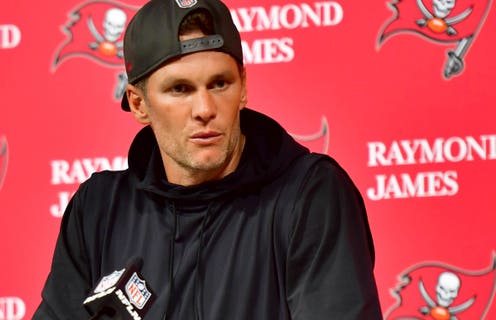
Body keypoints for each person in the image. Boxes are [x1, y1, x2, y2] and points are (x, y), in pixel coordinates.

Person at [33, 0, 383, 319]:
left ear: (243, 87)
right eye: (180, 89)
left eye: (219, 84)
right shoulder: (98, 209)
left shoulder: (309, 195)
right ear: (139, 104)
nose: (204, 110)